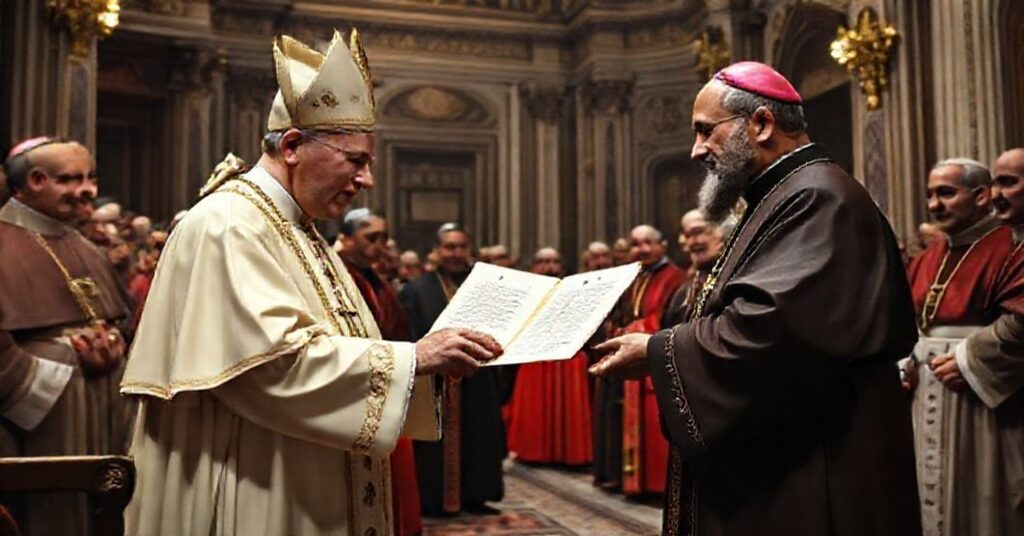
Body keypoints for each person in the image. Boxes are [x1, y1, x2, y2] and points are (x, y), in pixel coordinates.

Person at [120, 30, 502, 536]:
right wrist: (416, 358)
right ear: (295, 146)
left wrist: (426, 365)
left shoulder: (298, 227)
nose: (367, 180)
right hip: (254, 473)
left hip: (302, 464)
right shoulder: (231, 223)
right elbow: (271, 366)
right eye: (356, 160)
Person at [591, 61, 921, 535]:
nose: (696, 150)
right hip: (790, 446)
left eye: (706, 132)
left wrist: (659, 350)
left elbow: (777, 330)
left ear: (762, 123)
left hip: (819, 456)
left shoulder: (818, 199)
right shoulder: (782, 194)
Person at [0, 137, 133, 535]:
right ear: (35, 181)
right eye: (70, 179)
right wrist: (52, 372)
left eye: (90, 178)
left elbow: (117, 315)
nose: (87, 190)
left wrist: (113, 347)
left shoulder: (85, 245)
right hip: (44, 413)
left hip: (102, 401)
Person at [903, 156, 1024, 536]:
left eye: (946, 193)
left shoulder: (1011, 247)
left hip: (982, 401)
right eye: (930, 195)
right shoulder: (926, 259)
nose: (934, 205)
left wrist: (969, 359)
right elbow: (908, 326)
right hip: (927, 397)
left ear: (981, 195)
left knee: (983, 498)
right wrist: (905, 361)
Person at [399, 223, 507, 516]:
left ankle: (477, 495)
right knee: (434, 443)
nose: (456, 253)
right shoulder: (416, 289)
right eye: (449, 247)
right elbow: (410, 331)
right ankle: (433, 500)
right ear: (436, 251)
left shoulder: (484, 288)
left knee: (480, 437)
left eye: (461, 247)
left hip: (478, 374)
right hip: (435, 379)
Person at [339, 208, 423, 536]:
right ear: (346, 238)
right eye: (371, 237)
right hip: (360, 387)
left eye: (383, 238)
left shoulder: (374, 277)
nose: (381, 245)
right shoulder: (341, 275)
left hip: (390, 382)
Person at [505, 247, 592, 465]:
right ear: (534, 266)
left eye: (554, 261)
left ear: (561, 266)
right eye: (543, 261)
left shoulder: (576, 291)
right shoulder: (524, 292)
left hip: (566, 358)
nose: (549, 267)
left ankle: (569, 454)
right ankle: (533, 452)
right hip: (534, 356)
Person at [618, 224, 684, 496]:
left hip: (656, 355)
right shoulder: (635, 276)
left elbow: (665, 318)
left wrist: (632, 329)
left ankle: (656, 484)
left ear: (663, 246)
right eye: (636, 243)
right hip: (629, 352)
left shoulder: (674, 277)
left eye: (647, 242)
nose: (642, 249)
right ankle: (636, 482)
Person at [662, 210, 727, 329]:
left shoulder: (735, 280)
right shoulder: (683, 292)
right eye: (688, 235)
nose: (693, 242)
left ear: (722, 232)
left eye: (698, 232)